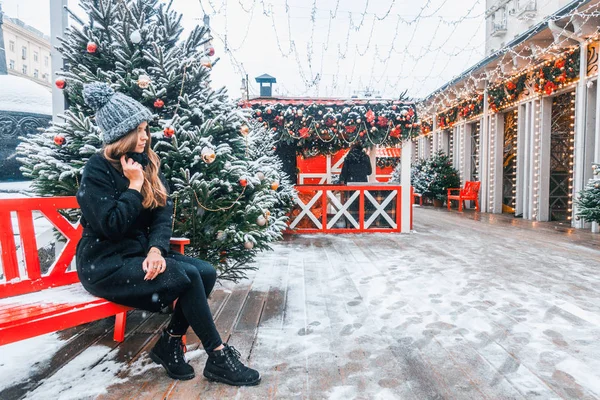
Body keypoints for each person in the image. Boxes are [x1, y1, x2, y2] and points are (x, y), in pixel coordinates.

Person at [75, 82, 260, 387]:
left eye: (147, 129)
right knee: (185, 277)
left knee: (205, 271)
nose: (146, 136)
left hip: (138, 257)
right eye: (140, 130)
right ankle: (217, 356)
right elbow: (112, 226)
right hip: (105, 264)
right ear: (122, 134)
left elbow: (162, 216)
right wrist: (133, 186)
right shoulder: (97, 169)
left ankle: (170, 343)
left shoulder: (146, 164)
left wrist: (156, 251)